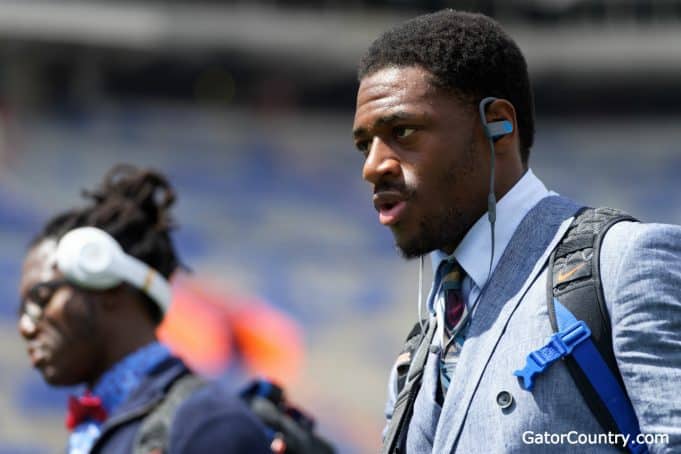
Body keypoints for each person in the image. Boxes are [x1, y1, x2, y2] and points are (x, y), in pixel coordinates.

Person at [352, 9, 681, 453]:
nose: (373, 167)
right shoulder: (416, 358)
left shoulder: (622, 267)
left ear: (498, 125)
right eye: (363, 145)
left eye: (403, 130)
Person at [17, 164, 272, 454]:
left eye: (41, 298)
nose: (26, 327)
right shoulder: (108, 428)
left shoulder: (207, 427)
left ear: (107, 287)